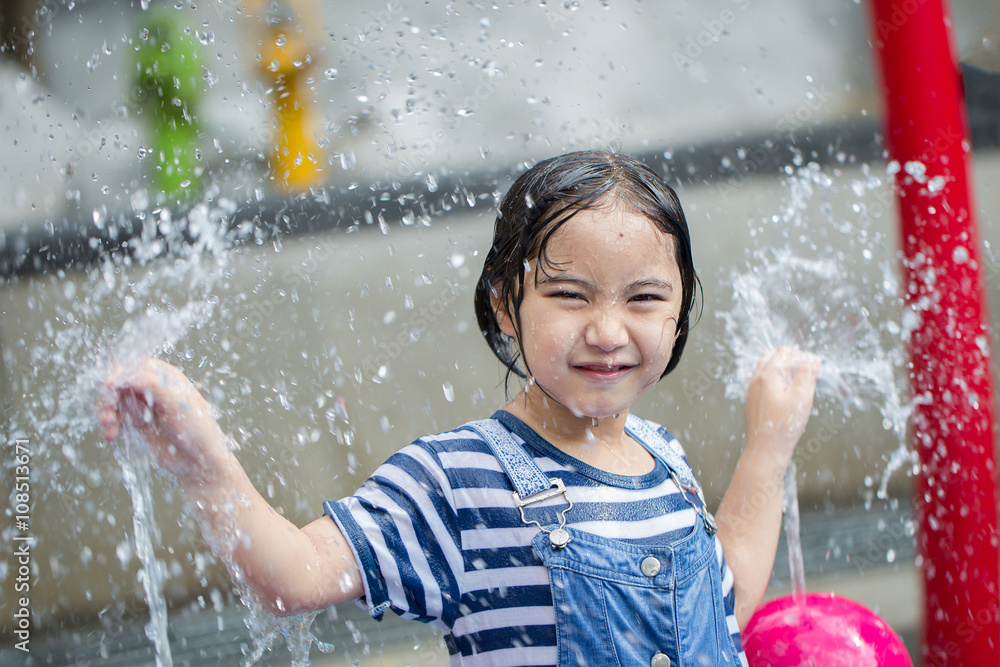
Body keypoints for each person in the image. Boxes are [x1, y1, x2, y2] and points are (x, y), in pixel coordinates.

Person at [97, 150, 820, 666]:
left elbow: (728, 602)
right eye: (570, 294)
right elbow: (294, 576)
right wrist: (202, 461)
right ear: (508, 302)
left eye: (644, 298)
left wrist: (769, 444)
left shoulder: (665, 458)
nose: (607, 330)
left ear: (678, 314)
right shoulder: (459, 479)